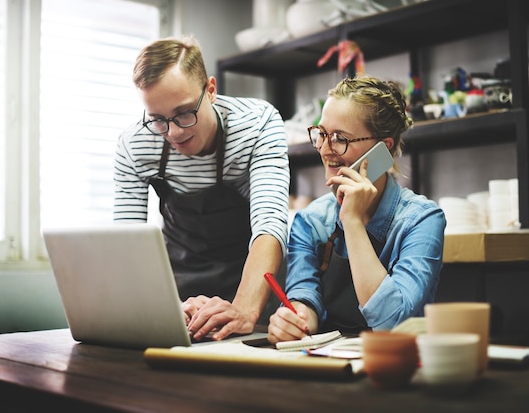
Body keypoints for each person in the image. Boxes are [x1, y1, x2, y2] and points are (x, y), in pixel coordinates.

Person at [114, 35, 290, 341]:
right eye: (158, 119)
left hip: (250, 292)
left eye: (184, 113)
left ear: (210, 90)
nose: (173, 132)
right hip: (180, 298)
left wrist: (245, 310)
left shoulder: (258, 124)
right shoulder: (135, 143)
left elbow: (270, 225)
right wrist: (160, 309)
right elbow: (128, 244)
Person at [267, 76, 446, 343]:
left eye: (340, 138)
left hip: (399, 365)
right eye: (322, 134)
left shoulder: (421, 220)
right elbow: (304, 295)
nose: (325, 150)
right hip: (331, 365)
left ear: (382, 148)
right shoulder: (311, 221)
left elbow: (393, 322)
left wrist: (351, 221)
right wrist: (296, 320)